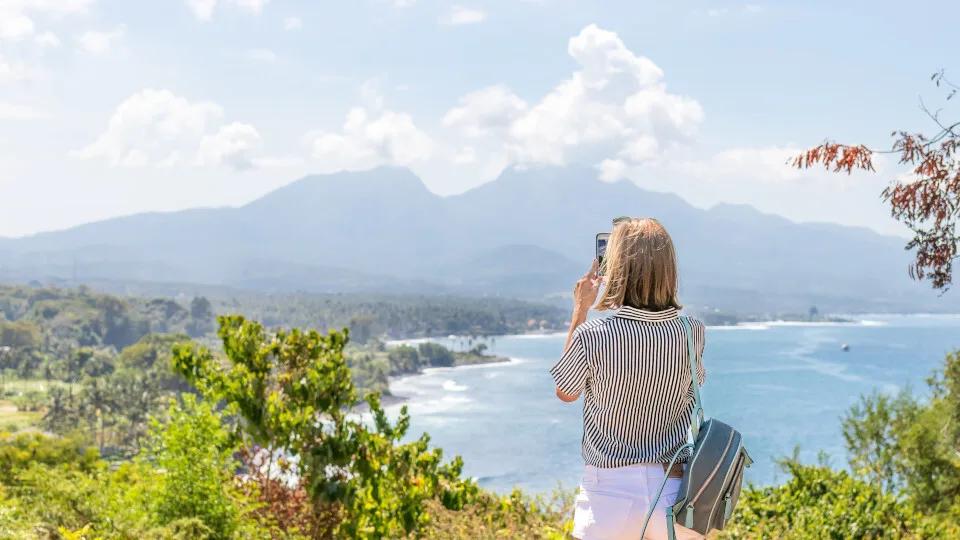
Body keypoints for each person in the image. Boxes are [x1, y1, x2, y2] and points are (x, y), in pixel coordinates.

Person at [550, 217, 706, 540]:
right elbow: (692, 387)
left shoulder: (594, 335)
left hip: (609, 494)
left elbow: (565, 390)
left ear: (617, 268)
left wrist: (580, 311)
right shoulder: (692, 332)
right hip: (674, 491)